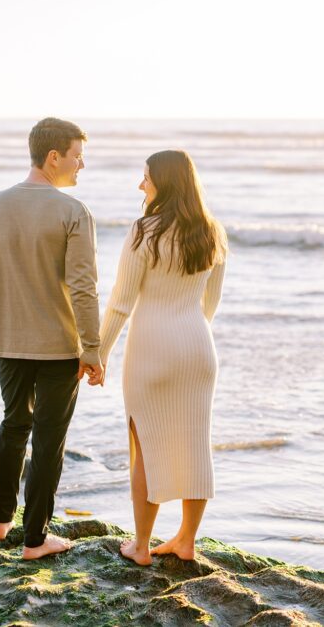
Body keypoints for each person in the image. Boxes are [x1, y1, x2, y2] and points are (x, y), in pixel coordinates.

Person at [0, 117, 103, 560]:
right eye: (77, 155)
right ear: (54, 157)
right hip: (56, 345)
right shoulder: (73, 211)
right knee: (49, 438)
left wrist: (7, 323)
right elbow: (84, 287)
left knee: (13, 424)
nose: (81, 164)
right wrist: (92, 348)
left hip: (7, 338)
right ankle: (35, 540)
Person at [95, 149, 228, 565]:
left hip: (151, 349)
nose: (141, 185)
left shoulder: (143, 231)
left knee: (144, 444)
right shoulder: (213, 232)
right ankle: (186, 541)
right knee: (194, 443)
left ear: (165, 183)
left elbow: (121, 303)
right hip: (197, 347)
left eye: (146, 177)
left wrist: (97, 354)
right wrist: (188, 331)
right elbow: (212, 302)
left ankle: (141, 546)